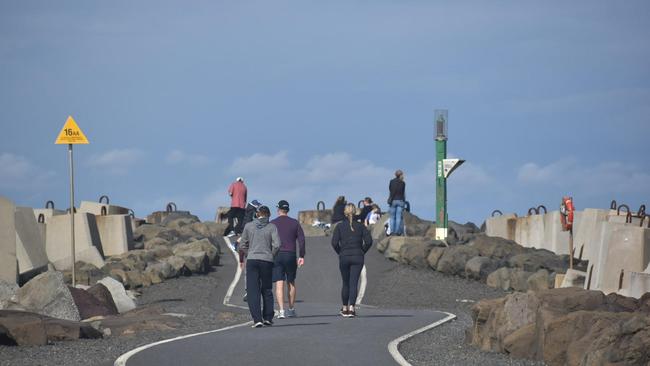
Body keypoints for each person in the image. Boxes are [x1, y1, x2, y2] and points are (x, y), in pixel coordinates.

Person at [238, 205, 280, 328]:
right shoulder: (272, 227)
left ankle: (257, 319)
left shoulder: (249, 226)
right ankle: (267, 317)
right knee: (267, 289)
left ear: (257, 214)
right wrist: (270, 255)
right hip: (267, 260)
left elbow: (242, 245)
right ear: (268, 215)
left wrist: (248, 253)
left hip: (252, 260)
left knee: (252, 291)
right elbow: (277, 244)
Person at [331, 203, 373, 318]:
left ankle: (344, 308)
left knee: (346, 283)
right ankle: (352, 308)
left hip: (344, 256)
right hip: (358, 256)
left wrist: (340, 252)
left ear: (345, 212)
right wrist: (362, 251)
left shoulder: (340, 226)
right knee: (354, 282)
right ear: (355, 212)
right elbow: (369, 241)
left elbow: (334, 243)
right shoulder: (360, 226)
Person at [271, 200, 306, 319]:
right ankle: (291, 309)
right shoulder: (295, 223)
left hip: (277, 254)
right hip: (290, 254)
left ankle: (281, 311)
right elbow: (301, 240)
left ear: (278, 209)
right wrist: (301, 256)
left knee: (279, 284)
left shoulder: (273, 223)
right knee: (291, 282)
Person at [388, 170, 406, 236]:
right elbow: (403, 193)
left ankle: (392, 232)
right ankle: (397, 232)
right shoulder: (403, 183)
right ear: (401, 175)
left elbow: (390, 190)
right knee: (398, 217)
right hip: (400, 200)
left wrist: (390, 199)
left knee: (392, 217)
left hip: (393, 200)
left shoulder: (391, 181)